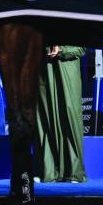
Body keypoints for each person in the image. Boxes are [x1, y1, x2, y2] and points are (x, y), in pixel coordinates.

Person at [37, 45, 87, 183]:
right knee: (45, 118)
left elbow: (81, 48)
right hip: (43, 70)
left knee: (69, 117)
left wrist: (62, 50)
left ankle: (73, 172)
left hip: (67, 71)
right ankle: (48, 172)